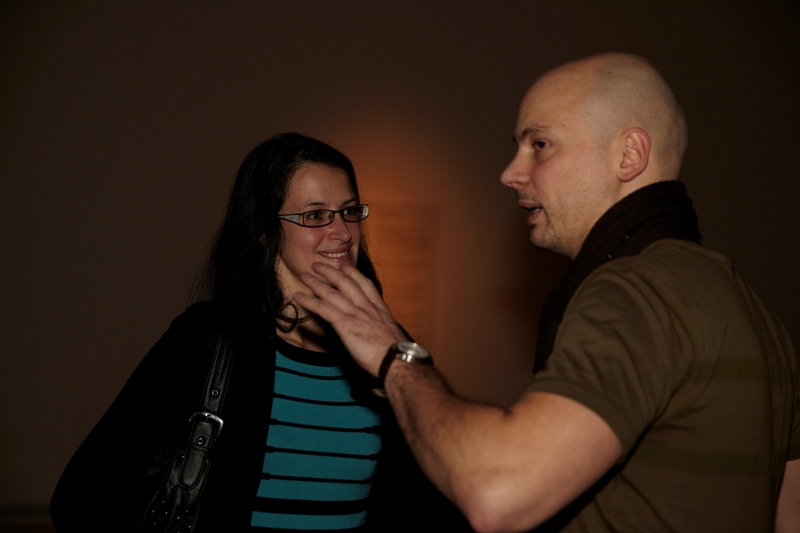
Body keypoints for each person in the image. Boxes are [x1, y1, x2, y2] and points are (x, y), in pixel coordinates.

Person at [294, 54, 800, 532]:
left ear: (629, 155)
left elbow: (497, 492)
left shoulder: (635, 291)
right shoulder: (754, 312)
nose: (510, 173)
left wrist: (394, 355)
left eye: (539, 145)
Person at [50, 132, 468, 532]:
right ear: (265, 230)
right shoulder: (207, 337)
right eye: (315, 215)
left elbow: (431, 501)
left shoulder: (388, 347)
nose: (342, 232)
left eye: (350, 211)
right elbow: (81, 498)